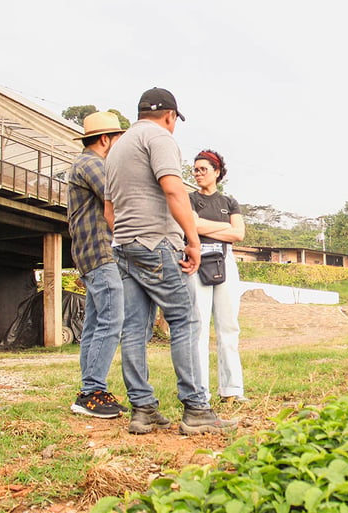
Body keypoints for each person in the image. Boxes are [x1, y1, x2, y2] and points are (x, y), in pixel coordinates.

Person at [104, 87, 236, 435]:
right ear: (169, 116)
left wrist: (129, 237)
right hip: (157, 244)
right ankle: (196, 408)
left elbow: (108, 210)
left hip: (125, 246)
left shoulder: (117, 148)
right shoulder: (159, 138)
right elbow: (175, 190)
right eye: (175, 120)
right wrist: (192, 241)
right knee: (186, 320)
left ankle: (143, 409)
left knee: (133, 329)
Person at [67, 111, 127, 419]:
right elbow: (118, 195)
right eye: (117, 138)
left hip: (91, 254)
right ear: (106, 139)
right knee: (112, 319)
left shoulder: (86, 163)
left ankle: (90, 390)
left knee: (94, 323)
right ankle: (91, 392)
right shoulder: (92, 164)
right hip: (100, 252)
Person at [190, 150, 248, 403]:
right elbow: (191, 226)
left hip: (225, 260)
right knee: (199, 327)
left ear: (217, 172)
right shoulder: (189, 199)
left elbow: (239, 235)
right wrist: (225, 227)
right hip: (197, 260)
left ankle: (232, 389)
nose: (198, 173)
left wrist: (208, 227)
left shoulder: (229, 202)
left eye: (203, 169)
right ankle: (200, 391)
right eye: (195, 169)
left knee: (228, 327)